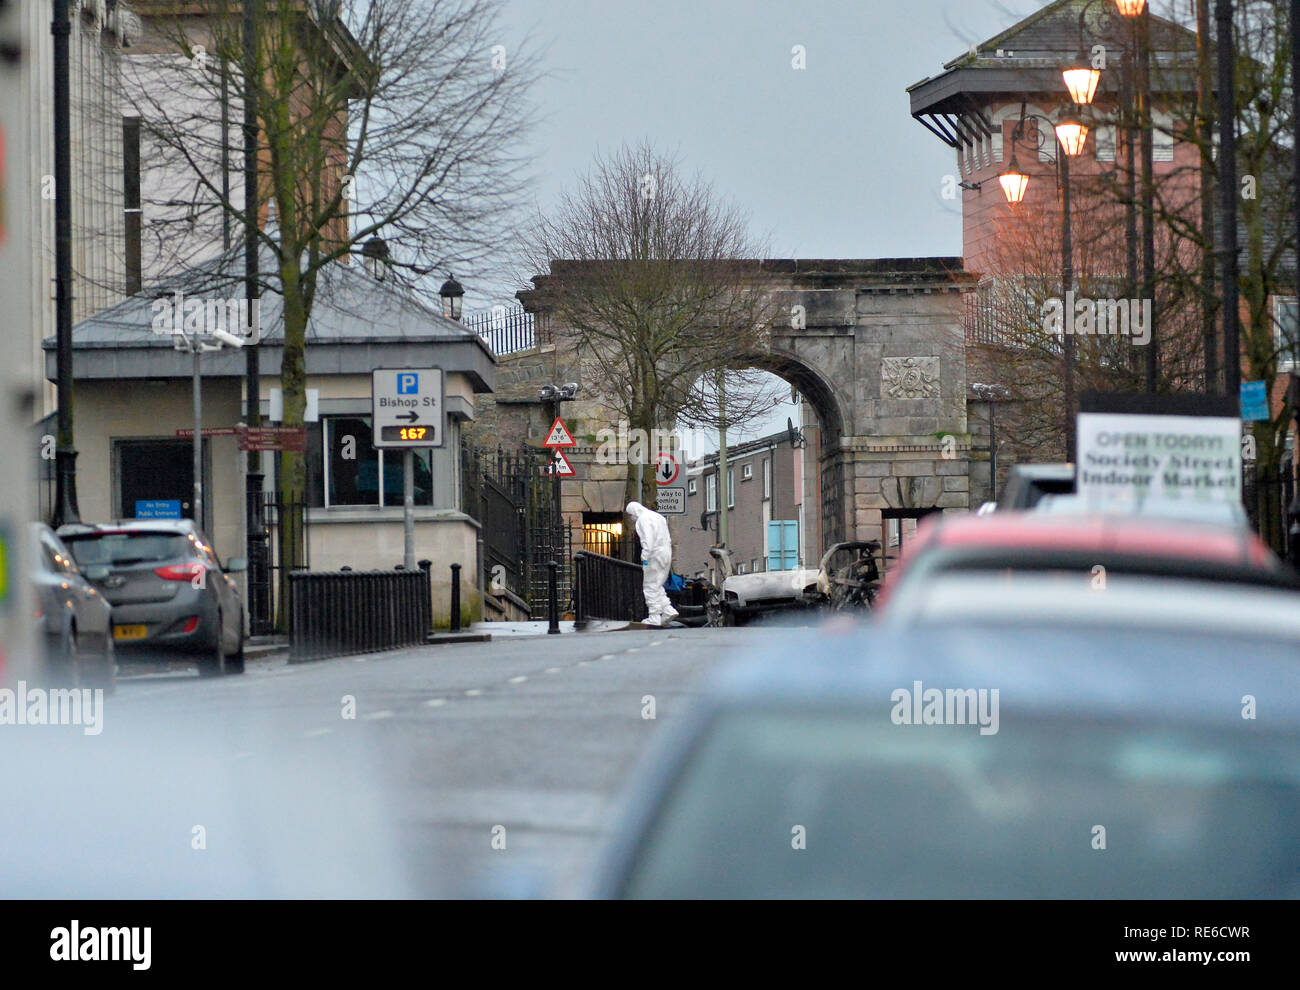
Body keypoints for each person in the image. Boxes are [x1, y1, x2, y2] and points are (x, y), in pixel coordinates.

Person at [626, 500, 678, 626]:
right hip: (666, 553)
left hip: (654, 554)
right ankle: (667, 609)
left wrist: (645, 557)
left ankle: (654, 616)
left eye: (630, 515)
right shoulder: (658, 517)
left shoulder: (643, 520)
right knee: (658, 584)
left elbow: (648, 540)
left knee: (649, 585)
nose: (631, 518)